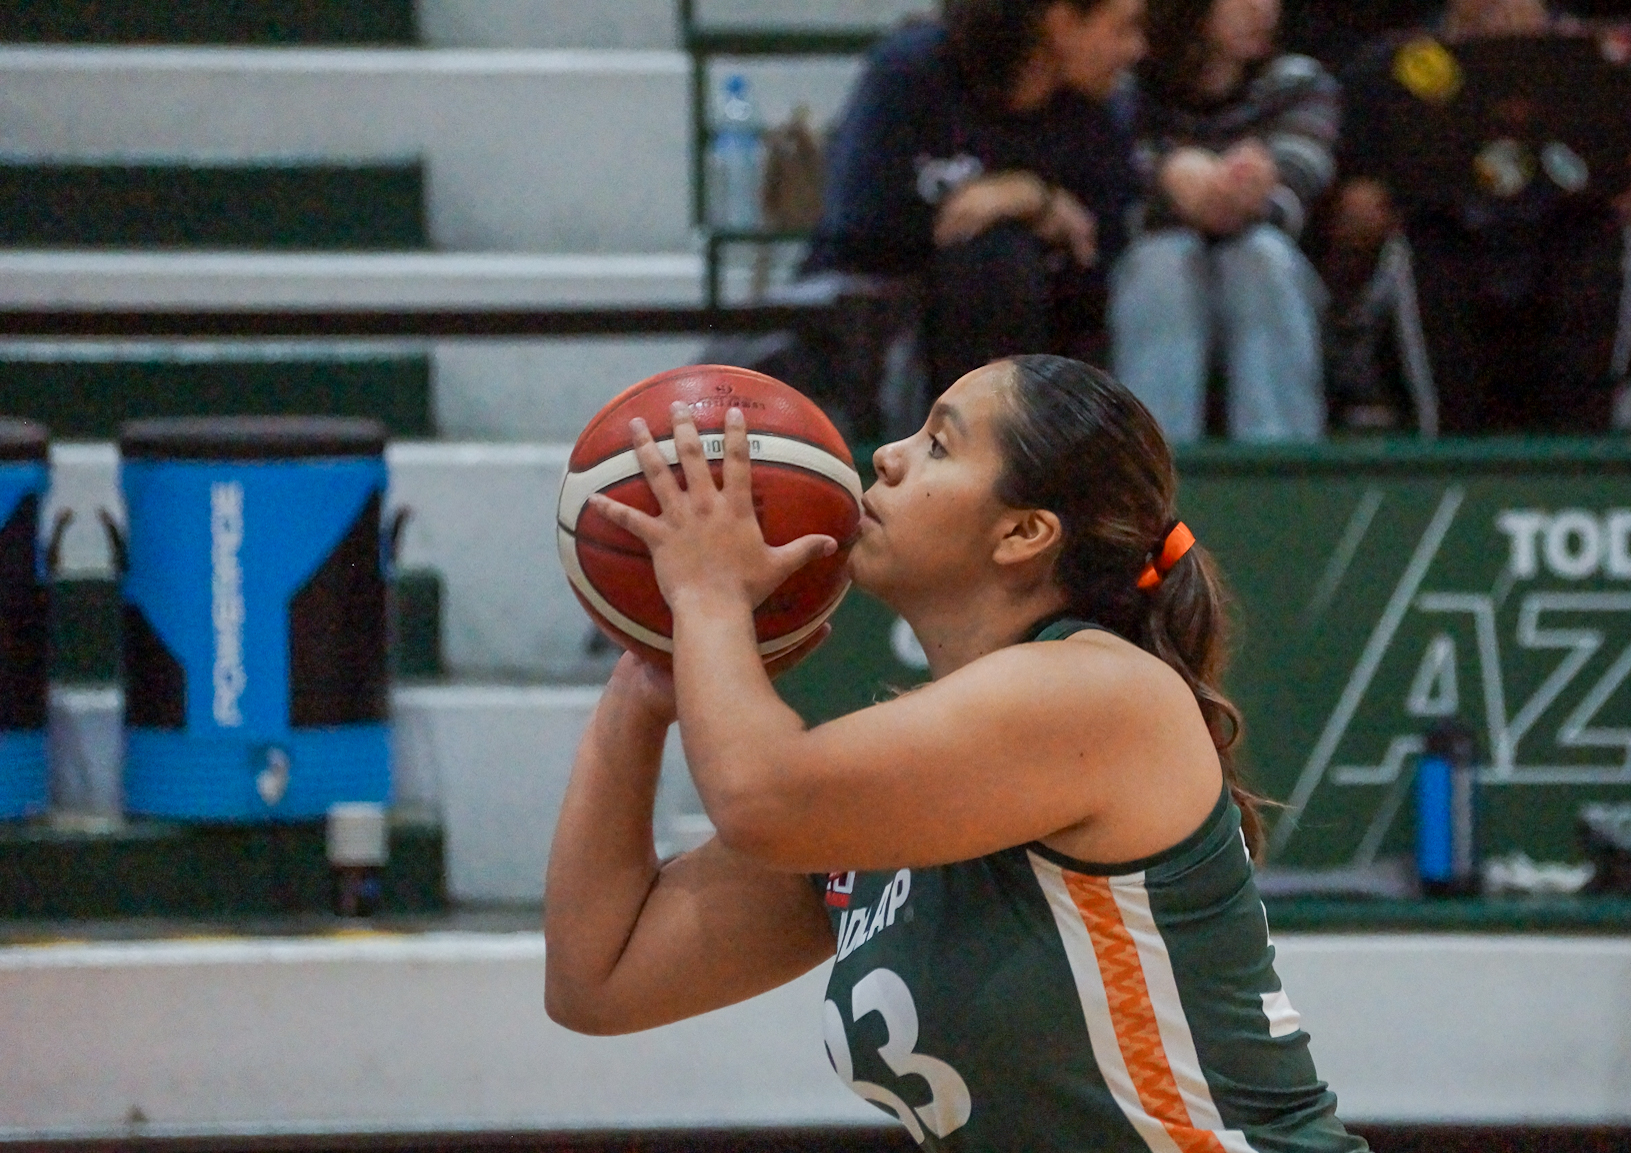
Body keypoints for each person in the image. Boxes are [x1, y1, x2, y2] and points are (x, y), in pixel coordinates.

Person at [543, 355, 1367, 1153]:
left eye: (938, 443)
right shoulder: (911, 781)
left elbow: (761, 798)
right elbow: (599, 978)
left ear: (1022, 532)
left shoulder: (1099, 692)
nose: (887, 456)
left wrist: (710, 595)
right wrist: (642, 685)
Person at [1324, 0, 1631, 436]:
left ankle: (1582, 468)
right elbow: (1355, 219)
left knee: (1597, 249)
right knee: (1429, 253)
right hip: (1445, 263)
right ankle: (1446, 460)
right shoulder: (1391, 65)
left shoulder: (1591, 58)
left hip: (1563, 264)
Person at [802, 0, 1146, 405]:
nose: (1137, 50)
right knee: (990, 260)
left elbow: (1102, 242)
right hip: (885, 337)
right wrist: (1008, 210)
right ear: (1061, 23)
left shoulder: (1096, 114)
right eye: (1123, 29)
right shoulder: (914, 72)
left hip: (1046, 365)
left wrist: (1028, 196)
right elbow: (859, 224)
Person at [1110, 0, 1339, 442]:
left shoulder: (1300, 83)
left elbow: (1293, 197)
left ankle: (1280, 473)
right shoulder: (1130, 84)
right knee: (1162, 262)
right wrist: (1173, 177)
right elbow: (1112, 191)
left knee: (1260, 255)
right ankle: (1152, 483)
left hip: (1277, 273)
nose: (1262, 9)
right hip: (1154, 271)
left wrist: (1223, 195)